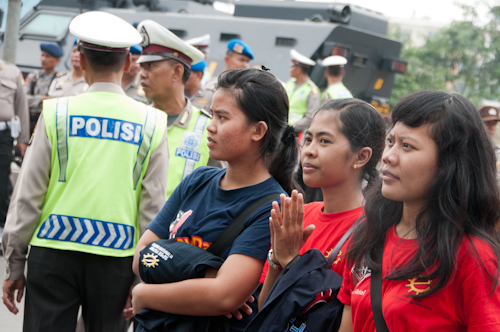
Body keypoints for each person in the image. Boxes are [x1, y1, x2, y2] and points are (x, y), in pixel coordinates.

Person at [2, 11, 169, 332]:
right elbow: (153, 207)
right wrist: (142, 275)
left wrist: (14, 263)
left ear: (81, 58)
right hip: (117, 257)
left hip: (53, 252)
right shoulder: (152, 122)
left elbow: (27, 196)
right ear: (126, 64)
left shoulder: (56, 113)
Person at [131, 68, 300, 332]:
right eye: (212, 115)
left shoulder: (272, 206)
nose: (210, 126)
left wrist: (145, 294)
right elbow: (141, 256)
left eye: (222, 117)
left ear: (258, 130)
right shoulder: (197, 180)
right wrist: (210, 275)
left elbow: (223, 296)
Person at [336, 90, 500, 332]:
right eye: (390, 142)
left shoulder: (473, 257)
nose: (389, 156)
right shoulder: (370, 232)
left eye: (407, 146)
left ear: (449, 164)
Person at [258, 98, 386, 310]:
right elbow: (266, 307)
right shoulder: (300, 215)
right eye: (308, 139)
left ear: (361, 156)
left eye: (324, 141)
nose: (309, 151)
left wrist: (291, 263)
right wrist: (276, 260)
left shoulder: (372, 232)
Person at [137, 20, 222, 199]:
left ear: (177, 72)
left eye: (150, 66)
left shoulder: (208, 128)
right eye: (142, 67)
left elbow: (220, 191)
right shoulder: (136, 120)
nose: (142, 74)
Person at [0, 59, 29, 254]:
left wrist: (22, 139)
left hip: (2, 134)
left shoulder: (11, 71)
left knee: (2, 182)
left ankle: (2, 229)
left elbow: (21, 106)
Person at [25, 43, 63, 133]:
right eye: (42, 55)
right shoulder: (33, 76)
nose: (43, 59)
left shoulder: (60, 79)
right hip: (30, 120)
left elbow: (56, 100)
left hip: (47, 120)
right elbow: (23, 98)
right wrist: (41, 98)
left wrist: (33, 100)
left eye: (48, 56)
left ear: (57, 60)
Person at [285, 49, 321, 134]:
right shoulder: (290, 83)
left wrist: (291, 128)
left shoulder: (312, 90)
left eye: (292, 67)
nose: (289, 70)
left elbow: (310, 117)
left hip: (295, 134)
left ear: (298, 69)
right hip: (283, 128)